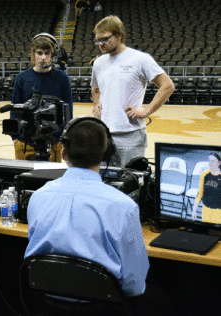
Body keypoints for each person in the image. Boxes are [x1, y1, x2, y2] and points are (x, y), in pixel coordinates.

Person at [25, 116, 171, 315]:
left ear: (63, 152)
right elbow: (134, 284)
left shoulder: (39, 197)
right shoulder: (123, 206)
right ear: (107, 154)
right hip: (104, 308)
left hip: (46, 303)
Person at [91, 15, 175, 167]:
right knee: (105, 181)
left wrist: (146, 111)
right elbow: (95, 87)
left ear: (119, 36)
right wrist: (96, 104)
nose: (100, 44)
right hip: (103, 134)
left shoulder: (140, 59)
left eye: (105, 39)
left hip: (131, 135)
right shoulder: (98, 63)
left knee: (130, 182)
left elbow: (167, 85)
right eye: (98, 40)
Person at [11, 33, 73, 162]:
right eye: (39, 53)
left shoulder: (62, 78)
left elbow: (68, 111)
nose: (43, 57)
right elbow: (15, 108)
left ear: (52, 55)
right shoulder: (22, 78)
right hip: (25, 140)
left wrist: (63, 136)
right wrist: (15, 137)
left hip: (54, 140)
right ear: (33, 54)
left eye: (47, 53)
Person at [192, 152, 221, 223]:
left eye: (213, 161)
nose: (210, 163)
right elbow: (200, 193)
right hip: (206, 210)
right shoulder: (204, 174)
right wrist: (194, 210)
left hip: (218, 212)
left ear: (219, 163)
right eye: (209, 160)